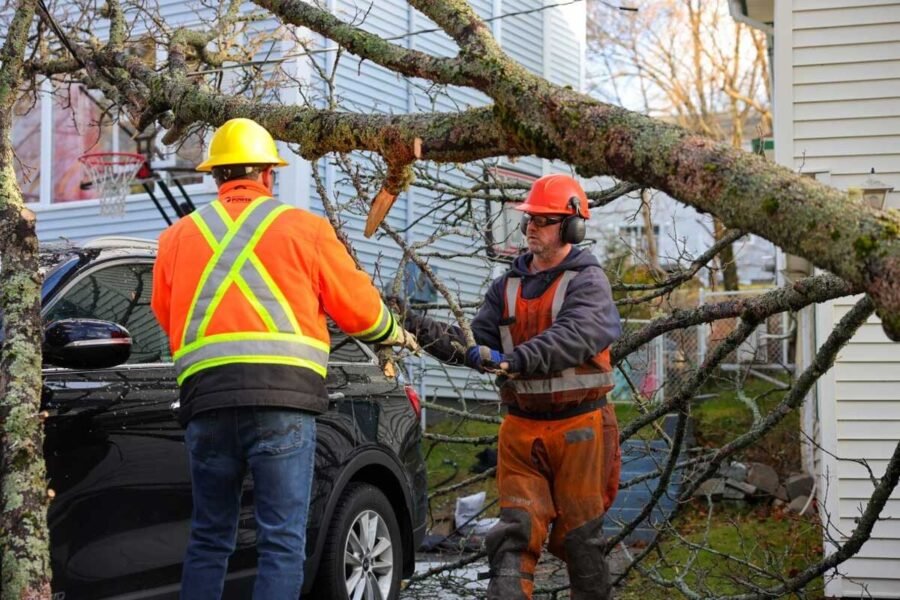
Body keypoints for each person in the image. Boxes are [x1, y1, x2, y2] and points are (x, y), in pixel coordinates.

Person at [151, 117, 418, 599]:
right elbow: (358, 311)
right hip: (282, 405)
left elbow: (166, 316)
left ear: (217, 176)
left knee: (210, 538)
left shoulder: (175, 238)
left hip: (207, 403)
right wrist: (393, 333)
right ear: (269, 175)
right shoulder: (303, 228)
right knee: (281, 541)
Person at [400, 173, 622, 599]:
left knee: (581, 540)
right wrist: (413, 325)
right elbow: (474, 341)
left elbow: (572, 337)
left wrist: (514, 359)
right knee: (513, 537)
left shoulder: (588, 283)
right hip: (521, 431)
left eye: (543, 219)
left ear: (572, 226)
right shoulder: (506, 286)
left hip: (581, 429)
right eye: (529, 219)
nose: (531, 227)